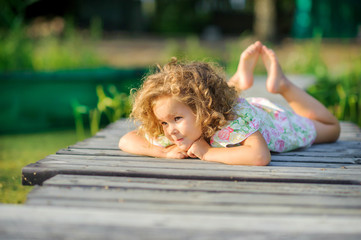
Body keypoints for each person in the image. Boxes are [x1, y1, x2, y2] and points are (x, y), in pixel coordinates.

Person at [118, 41, 340, 166]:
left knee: (332, 129)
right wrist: (162, 153)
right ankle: (237, 82)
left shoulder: (234, 121)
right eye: (164, 123)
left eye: (177, 119)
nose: (170, 131)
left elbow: (260, 156)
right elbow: (126, 140)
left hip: (274, 122)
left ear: (204, 111)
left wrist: (207, 153)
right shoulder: (173, 125)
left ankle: (283, 85)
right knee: (215, 95)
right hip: (231, 106)